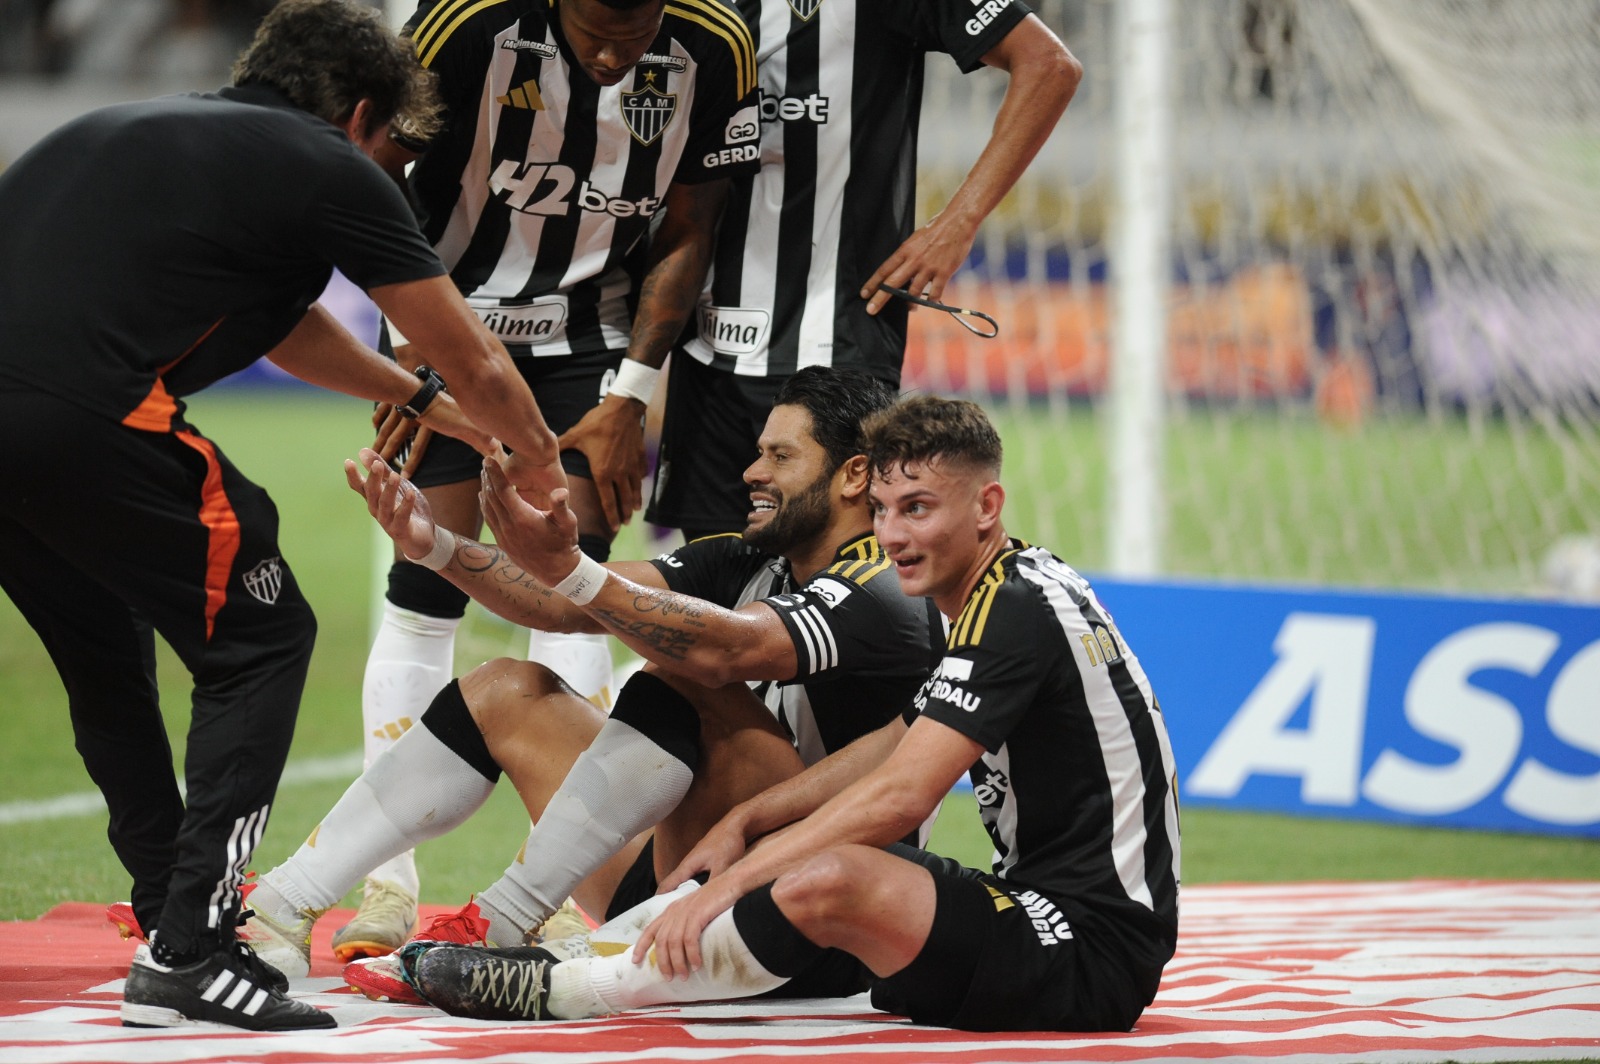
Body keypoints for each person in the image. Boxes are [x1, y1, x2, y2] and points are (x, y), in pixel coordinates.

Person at [0, 0, 572, 1033]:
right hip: (86, 408)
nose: (396, 170)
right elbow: (477, 350)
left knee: (107, 648)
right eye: (396, 146)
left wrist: (423, 404)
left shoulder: (155, 131)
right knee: (264, 632)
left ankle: (170, 916)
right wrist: (539, 461)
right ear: (361, 116)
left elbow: (293, 327)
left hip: (20, 428)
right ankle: (189, 945)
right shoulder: (328, 164)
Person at [406, 395, 1182, 1033]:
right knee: (815, 855)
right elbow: (896, 742)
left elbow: (900, 795)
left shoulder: (1009, 608)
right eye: (884, 510)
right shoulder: (1009, 588)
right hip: (1038, 910)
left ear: (988, 504)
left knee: (835, 873)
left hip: (1086, 945)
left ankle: (570, 989)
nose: (895, 536)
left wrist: (727, 883)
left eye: (918, 508)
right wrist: (752, 819)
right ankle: (558, 950)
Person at [236, 367, 942, 1006]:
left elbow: (727, 650)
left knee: (691, 677)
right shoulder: (749, 559)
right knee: (506, 690)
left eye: (780, 456)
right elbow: (564, 604)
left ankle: (503, 919)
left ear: (854, 476)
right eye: (758, 451)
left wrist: (574, 570)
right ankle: (281, 906)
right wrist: (438, 547)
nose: (753, 471)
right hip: (690, 875)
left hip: (812, 918)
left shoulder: (885, 587)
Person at [345, 0, 762, 961]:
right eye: (591, 33)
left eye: (633, 29)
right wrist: (407, 349)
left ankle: (567, 893)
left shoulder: (716, 41)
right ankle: (384, 886)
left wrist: (634, 395)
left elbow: (693, 223)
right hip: (453, 325)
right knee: (421, 593)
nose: (613, 53)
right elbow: (375, 172)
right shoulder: (465, 24)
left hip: (592, 343)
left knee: (578, 595)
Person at [615, 0, 1083, 544]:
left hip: (836, 344)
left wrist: (958, 222)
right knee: (713, 586)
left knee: (831, 589)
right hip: (706, 346)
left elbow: (1049, 64)